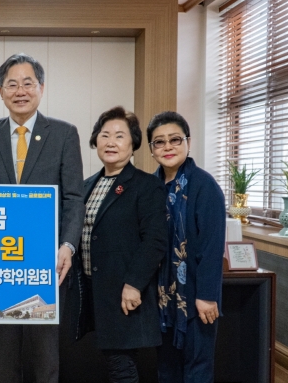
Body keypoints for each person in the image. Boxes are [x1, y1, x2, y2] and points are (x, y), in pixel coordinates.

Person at [0, 53, 85, 383]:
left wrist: (67, 245)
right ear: (0, 91)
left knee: (44, 353)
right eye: (12, 84)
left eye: (28, 83)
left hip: (48, 260)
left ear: (41, 87)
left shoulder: (64, 134)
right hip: (1, 261)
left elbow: (74, 197)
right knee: (5, 353)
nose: (20, 90)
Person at [73, 106, 167, 383]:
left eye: (119, 136)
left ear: (133, 143)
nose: (110, 142)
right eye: (104, 135)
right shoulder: (86, 185)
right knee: (113, 362)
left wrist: (134, 284)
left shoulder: (146, 185)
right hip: (92, 290)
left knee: (121, 364)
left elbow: (155, 240)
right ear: (95, 141)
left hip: (123, 291)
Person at [147, 111, 225, 383]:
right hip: (162, 297)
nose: (168, 147)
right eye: (159, 142)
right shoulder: (151, 186)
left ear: (188, 143)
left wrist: (206, 296)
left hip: (195, 297)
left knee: (197, 369)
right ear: (151, 149)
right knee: (166, 369)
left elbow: (212, 247)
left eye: (175, 139)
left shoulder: (204, 185)